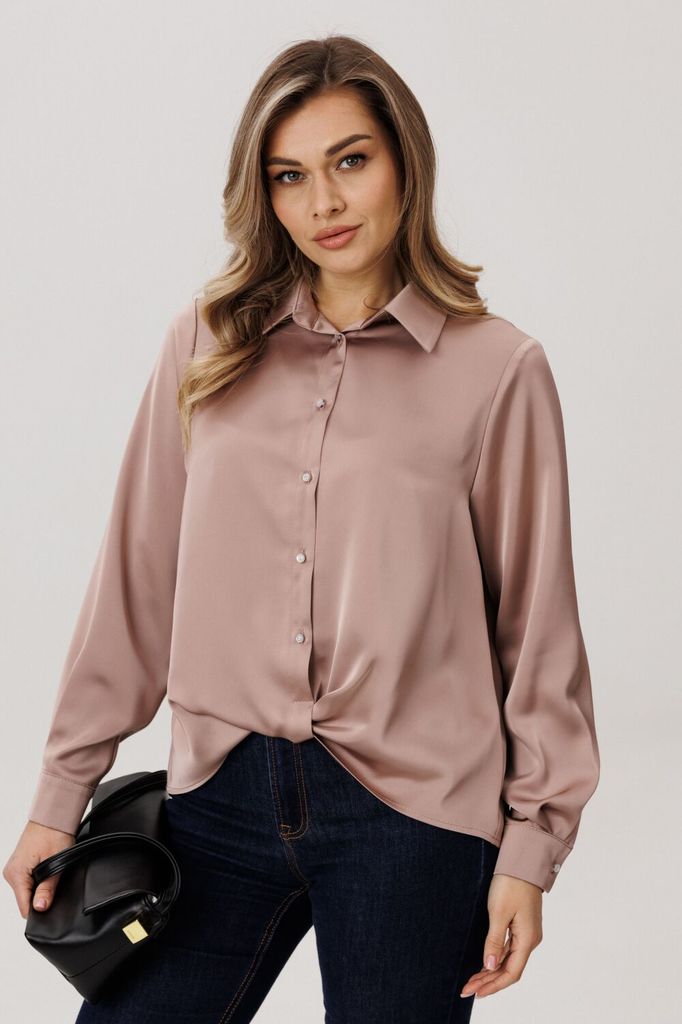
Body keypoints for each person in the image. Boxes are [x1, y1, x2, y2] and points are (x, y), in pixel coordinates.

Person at [3, 33, 600, 1023]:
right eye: (290, 175)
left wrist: (529, 853)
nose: (324, 202)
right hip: (216, 795)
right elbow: (135, 587)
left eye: (350, 161)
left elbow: (537, 634)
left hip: (415, 817)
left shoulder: (498, 369)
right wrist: (57, 798)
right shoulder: (208, 343)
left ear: (404, 162)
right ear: (264, 192)